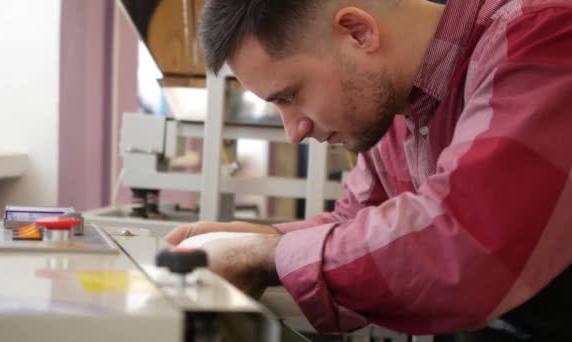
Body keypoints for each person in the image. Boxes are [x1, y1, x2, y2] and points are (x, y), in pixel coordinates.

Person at [164, 0, 572, 340]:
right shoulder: (401, 108)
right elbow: (354, 220)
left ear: (358, 32)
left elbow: (465, 243)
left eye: (291, 95)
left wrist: (268, 255)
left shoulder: (539, 37)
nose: (294, 131)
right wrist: (258, 239)